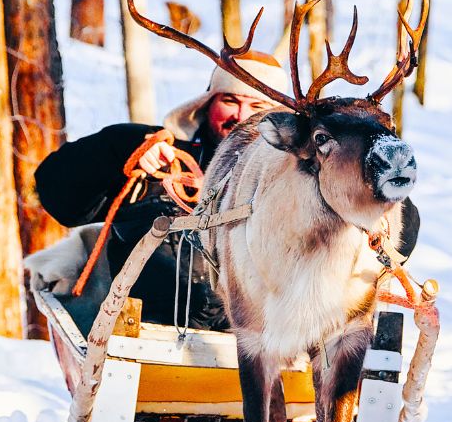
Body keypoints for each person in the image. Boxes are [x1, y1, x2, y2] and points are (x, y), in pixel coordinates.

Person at [29, 51, 290, 332]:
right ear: (207, 104)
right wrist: (125, 152)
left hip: (251, 341)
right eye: (230, 100)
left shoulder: (293, 181)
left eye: (257, 106)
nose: (240, 116)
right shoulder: (161, 158)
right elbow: (58, 194)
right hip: (144, 333)